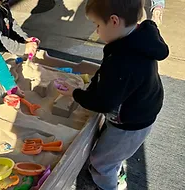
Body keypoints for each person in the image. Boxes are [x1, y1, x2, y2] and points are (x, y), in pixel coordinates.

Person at [60, 0, 169, 189]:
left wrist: (75, 93)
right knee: (111, 149)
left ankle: (109, 183)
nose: (96, 31)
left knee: (101, 161)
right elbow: (107, 76)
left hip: (131, 123)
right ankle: (113, 166)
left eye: (98, 25)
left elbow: (103, 103)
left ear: (114, 21)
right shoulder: (140, 35)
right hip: (140, 106)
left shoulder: (123, 62)